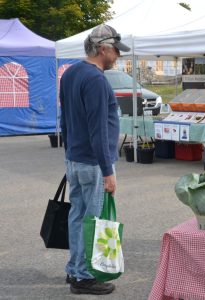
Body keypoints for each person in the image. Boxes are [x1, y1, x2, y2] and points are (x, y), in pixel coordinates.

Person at [60, 24, 130, 294]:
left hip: (76, 159)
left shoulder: (71, 73)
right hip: (93, 163)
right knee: (92, 220)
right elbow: (98, 129)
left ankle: (74, 269)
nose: (118, 56)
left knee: (77, 216)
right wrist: (108, 171)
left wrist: (69, 154)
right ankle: (83, 277)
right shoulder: (97, 80)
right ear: (103, 49)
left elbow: (65, 120)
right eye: (115, 51)